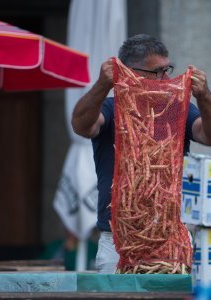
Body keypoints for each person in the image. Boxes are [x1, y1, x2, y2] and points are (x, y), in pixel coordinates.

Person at [71, 34, 211, 273]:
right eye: (157, 72)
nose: (166, 78)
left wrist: (205, 97)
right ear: (129, 72)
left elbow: (207, 136)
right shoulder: (110, 109)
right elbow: (82, 126)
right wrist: (102, 85)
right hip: (118, 242)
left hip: (172, 240)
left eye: (168, 69)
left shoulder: (178, 109)